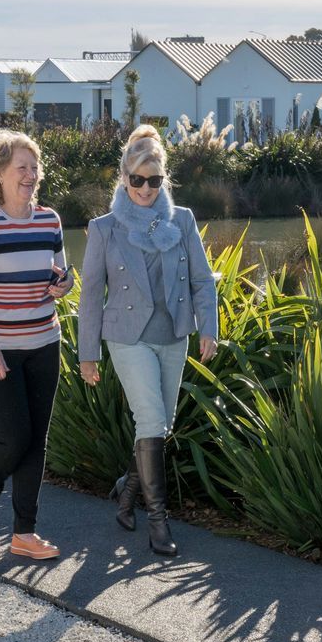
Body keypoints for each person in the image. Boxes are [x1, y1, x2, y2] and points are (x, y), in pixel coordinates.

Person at [75, 124, 218, 558]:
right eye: (137, 179)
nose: (145, 189)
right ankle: (158, 520)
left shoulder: (182, 220)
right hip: (127, 338)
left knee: (160, 425)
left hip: (172, 335)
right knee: (152, 419)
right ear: (123, 178)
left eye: (154, 180)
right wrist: (87, 354)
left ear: (163, 180)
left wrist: (208, 327)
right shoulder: (104, 229)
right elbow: (91, 295)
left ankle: (127, 489)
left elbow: (202, 280)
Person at [0, 129, 73, 560]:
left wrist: (63, 285)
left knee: (36, 439)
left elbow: (59, 274)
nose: (31, 174)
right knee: (14, 436)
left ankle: (24, 534)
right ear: (0, 174)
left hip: (44, 341)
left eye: (35, 167)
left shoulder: (50, 220)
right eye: (21, 167)